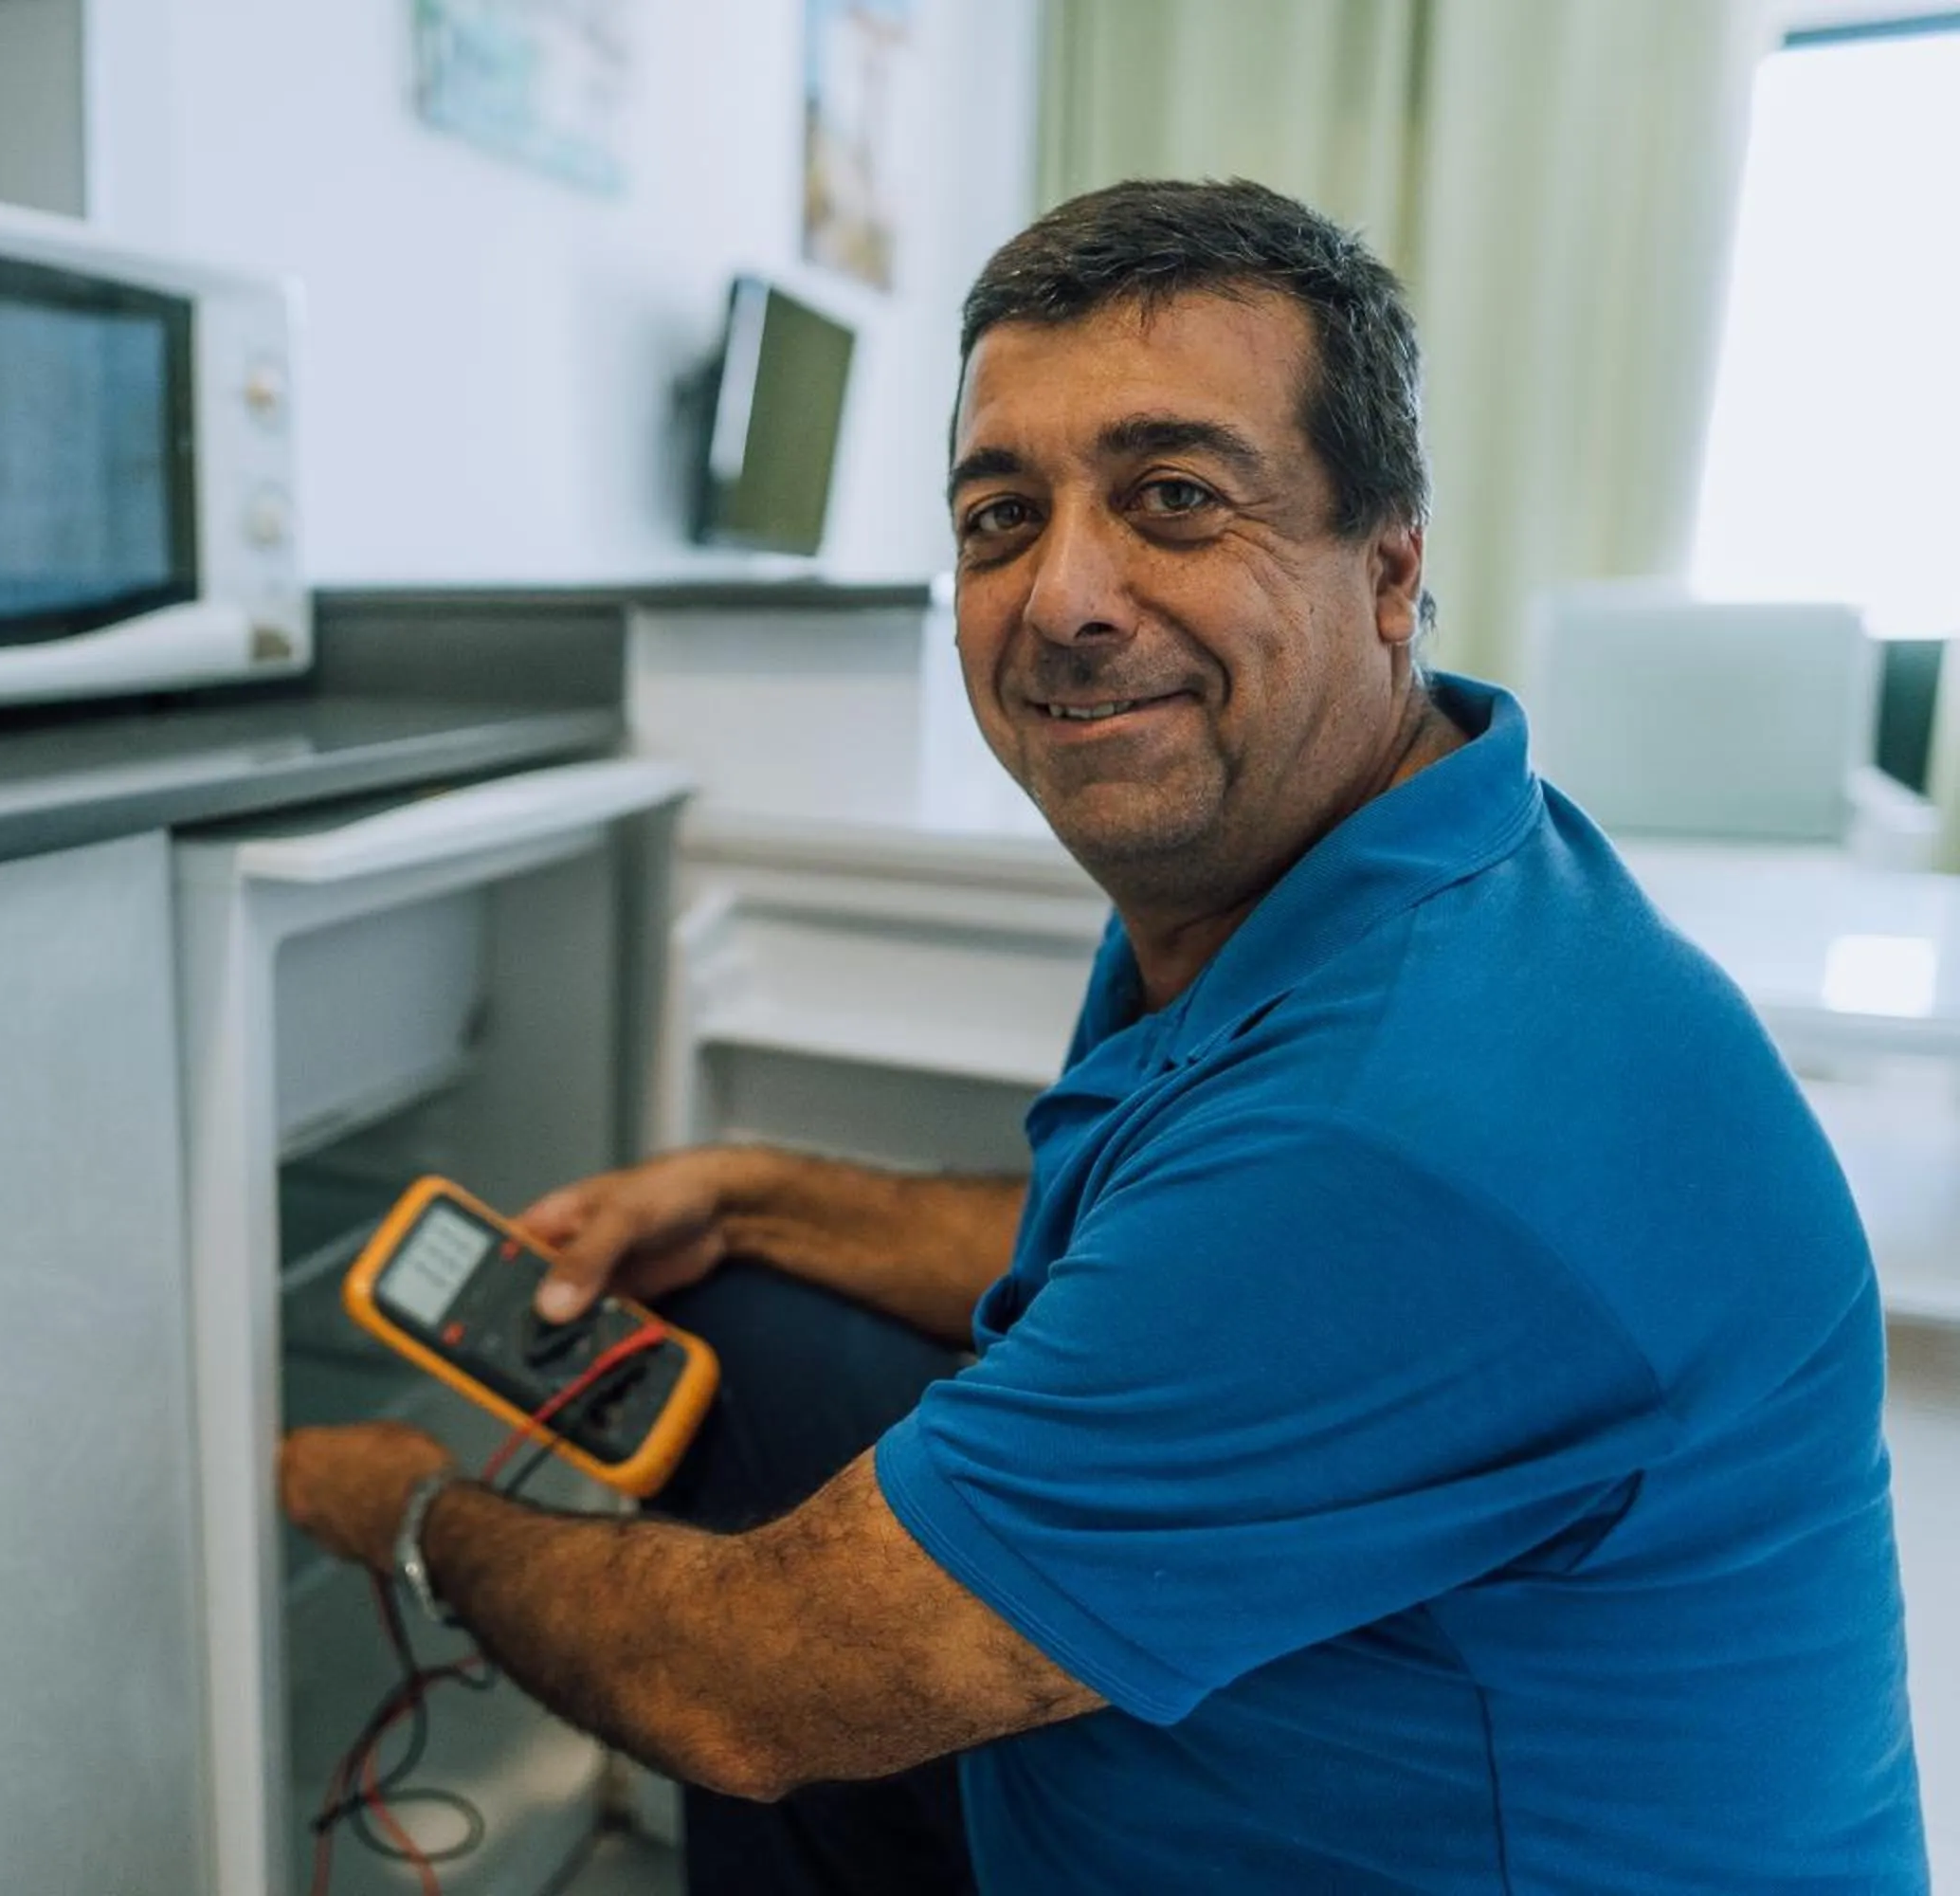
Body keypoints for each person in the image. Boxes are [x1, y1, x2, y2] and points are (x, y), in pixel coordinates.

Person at [280, 178, 1930, 1892]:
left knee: (785, 1628)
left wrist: (410, 1515)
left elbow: (749, 1687)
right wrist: (756, 1195)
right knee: (742, 1317)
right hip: (1300, 1745)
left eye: (1175, 499)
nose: (1064, 593)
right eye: (1001, 516)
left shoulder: (1411, 1126)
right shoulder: (1365, 870)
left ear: (1389, 568)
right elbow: (1167, 1253)